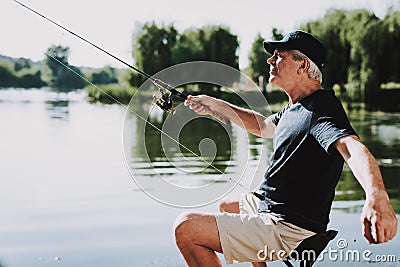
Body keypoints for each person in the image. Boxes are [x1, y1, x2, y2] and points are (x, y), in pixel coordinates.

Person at [173, 30, 398, 267]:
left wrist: (376, 195)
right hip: (269, 209)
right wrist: (217, 105)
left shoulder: (321, 108)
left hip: (287, 227)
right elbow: (263, 126)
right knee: (228, 205)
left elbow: (352, 148)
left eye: (279, 55)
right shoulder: (296, 107)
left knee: (186, 228)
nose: (270, 60)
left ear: (302, 65)